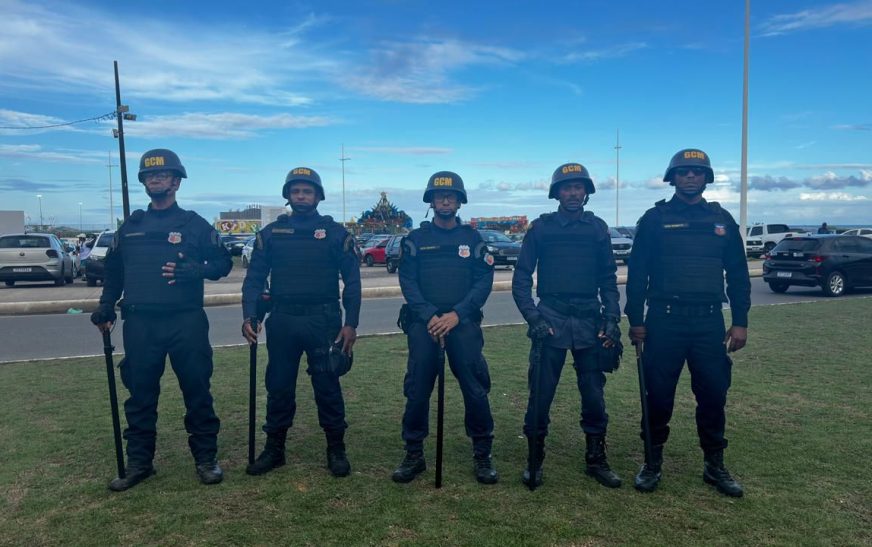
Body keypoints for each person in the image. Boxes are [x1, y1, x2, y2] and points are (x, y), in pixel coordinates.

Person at [90, 149, 232, 491]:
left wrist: (195, 270)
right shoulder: (131, 226)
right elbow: (114, 271)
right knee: (139, 395)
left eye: (163, 174)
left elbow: (223, 263)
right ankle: (139, 463)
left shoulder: (195, 224)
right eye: (149, 175)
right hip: (140, 323)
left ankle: (205, 458)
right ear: (144, 182)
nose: (155, 179)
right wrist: (106, 305)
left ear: (176, 182)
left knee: (197, 390)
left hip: (186, 321)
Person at [625, 148, 751, 497]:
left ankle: (714, 465)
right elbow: (637, 276)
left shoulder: (722, 219)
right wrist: (635, 321)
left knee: (713, 394)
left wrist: (740, 321)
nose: (691, 177)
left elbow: (738, 275)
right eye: (683, 172)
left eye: (697, 172)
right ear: (673, 178)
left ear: (706, 178)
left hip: (709, 323)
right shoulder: (654, 219)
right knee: (658, 397)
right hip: (664, 323)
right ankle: (652, 463)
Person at [242, 167, 361, 478]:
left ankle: (336, 449)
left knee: (328, 385)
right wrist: (249, 315)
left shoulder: (336, 234)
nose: (301, 196)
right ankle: (274, 449)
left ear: (318, 196)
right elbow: (254, 279)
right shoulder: (270, 235)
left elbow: (353, 282)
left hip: (324, 320)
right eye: (295, 191)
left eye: (307, 191)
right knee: (279, 386)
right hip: (282, 320)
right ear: (288, 196)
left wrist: (352, 323)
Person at [512, 163, 623, 489]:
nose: (573, 193)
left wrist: (612, 318)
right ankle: (535, 460)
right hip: (551, 320)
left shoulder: (598, 229)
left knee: (593, 394)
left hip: (590, 321)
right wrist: (534, 318)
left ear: (586, 192)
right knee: (540, 394)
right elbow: (520, 280)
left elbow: (608, 280)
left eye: (578, 188)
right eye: (566, 188)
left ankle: (596, 459)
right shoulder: (541, 229)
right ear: (556, 193)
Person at [392, 171, 498, 485]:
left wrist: (457, 314)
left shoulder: (473, 239)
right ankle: (413, 454)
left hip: (462, 324)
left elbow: (484, 281)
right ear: (432, 201)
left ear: (459, 200)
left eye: (451, 196)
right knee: (417, 390)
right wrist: (428, 315)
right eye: (440, 196)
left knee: (475, 389)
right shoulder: (414, 240)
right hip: (425, 326)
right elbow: (407, 282)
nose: (446, 200)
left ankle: (482, 454)